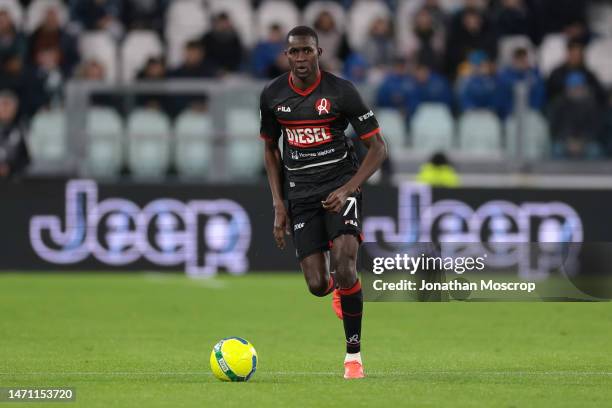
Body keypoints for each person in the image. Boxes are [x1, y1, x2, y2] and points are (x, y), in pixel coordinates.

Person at [260, 26, 387, 379]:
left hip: (338, 188)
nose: (301, 58)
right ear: (287, 56)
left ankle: (353, 357)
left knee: (346, 264)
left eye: (307, 51)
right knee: (317, 284)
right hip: (300, 193)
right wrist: (279, 204)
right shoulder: (272, 95)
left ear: (319, 52)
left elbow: (378, 148)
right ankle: (337, 290)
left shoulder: (341, 92)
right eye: (294, 52)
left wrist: (349, 188)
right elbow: (270, 148)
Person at [0, 90, 29, 180]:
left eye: (9, 105)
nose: (6, 109)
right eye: (3, 105)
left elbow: (26, 160)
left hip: (12, 183)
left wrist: (10, 168)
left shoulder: (20, 131)